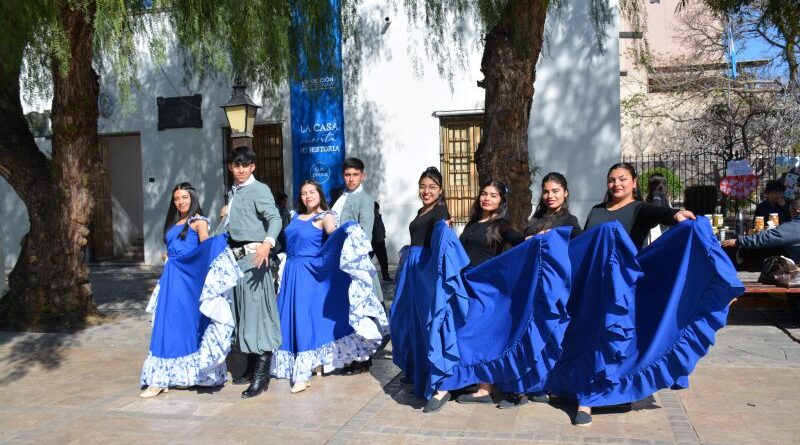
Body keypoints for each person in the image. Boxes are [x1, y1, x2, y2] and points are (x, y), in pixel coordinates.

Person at [271, 180, 388, 393]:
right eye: (304, 192)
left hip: (310, 273)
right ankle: (298, 364)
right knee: (288, 317)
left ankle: (302, 373)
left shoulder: (325, 216)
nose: (308, 196)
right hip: (291, 271)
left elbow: (332, 233)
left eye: (312, 192)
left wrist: (346, 231)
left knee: (304, 319)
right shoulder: (296, 216)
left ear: (319, 194)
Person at [140, 182, 241, 398]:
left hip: (188, 281)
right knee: (166, 324)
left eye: (184, 197)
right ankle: (162, 378)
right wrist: (169, 257)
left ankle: (193, 375)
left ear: (192, 198)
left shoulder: (198, 221)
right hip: (171, 278)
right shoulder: (175, 222)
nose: (180, 201)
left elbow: (205, 249)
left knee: (186, 325)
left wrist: (223, 233)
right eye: (177, 198)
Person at [215, 147, 283, 399]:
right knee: (244, 314)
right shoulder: (234, 191)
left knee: (258, 316)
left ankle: (261, 375)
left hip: (256, 258)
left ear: (253, 166)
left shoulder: (260, 189)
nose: (241, 170)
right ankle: (252, 366)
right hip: (237, 261)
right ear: (231, 167)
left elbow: (275, 219)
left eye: (245, 165)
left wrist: (267, 243)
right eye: (236, 165)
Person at [389, 167, 452, 411]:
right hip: (412, 270)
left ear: (441, 190)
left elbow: (442, 239)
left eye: (432, 187)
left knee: (428, 323)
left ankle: (436, 382)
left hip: (425, 271)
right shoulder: (421, 210)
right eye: (423, 186)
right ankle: (416, 370)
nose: (426, 191)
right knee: (407, 321)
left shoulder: (440, 211)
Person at [584, 162, 694, 249]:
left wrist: (676, 214)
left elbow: (658, 212)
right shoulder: (596, 210)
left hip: (626, 275)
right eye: (612, 180)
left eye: (623, 179)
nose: (617, 184)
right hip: (594, 274)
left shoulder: (640, 209)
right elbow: (583, 242)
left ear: (634, 182)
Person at [723, 198, 800, 263]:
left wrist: (738, 242)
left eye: (791, 211)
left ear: (797, 210)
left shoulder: (794, 227)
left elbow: (767, 237)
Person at [524, 172, 582, 239]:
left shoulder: (569, 221)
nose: (550, 196)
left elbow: (583, 241)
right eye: (546, 192)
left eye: (555, 191)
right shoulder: (536, 218)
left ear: (565, 193)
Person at [372, 201, 392, 282]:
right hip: (372, 242)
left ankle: (386, 277)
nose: (377, 211)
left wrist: (383, 235)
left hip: (380, 241)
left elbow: (381, 227)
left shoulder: (379, 217)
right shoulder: (368, 218)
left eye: (377, 209)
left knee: (384, 260)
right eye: (375, 209)